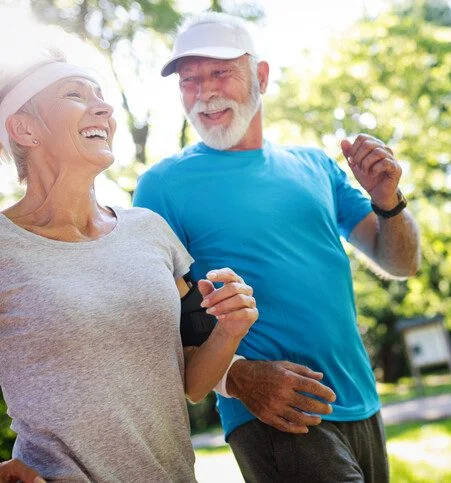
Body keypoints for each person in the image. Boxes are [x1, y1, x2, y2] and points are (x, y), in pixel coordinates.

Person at [133, 12, 421, 483]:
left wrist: (388, 202)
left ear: (261, 77)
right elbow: (157, 327)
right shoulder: (162, 186)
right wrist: (240, 379)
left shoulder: (314, 166)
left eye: (220, 72)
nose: (204, 91)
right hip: (275, 412)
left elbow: (401, 262)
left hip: (362, 401)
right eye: (190, 80)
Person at [0, 48, 258, 482]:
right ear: (25, 129)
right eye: (74, 94)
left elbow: (193, 384)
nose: (103, 107)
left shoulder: (150, 231)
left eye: (101, 95)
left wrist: (230, 329)